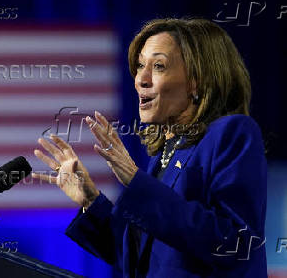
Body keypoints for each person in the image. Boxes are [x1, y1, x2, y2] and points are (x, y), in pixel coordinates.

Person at [32, 18, 267, 277]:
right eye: (141, 65)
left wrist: (136, 180)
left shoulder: (232, 133)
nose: (140, 79)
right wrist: (91, 200)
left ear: (197, 80)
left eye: (158, 66)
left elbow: (234, 244)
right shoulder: (165, 155)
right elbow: (138, 256)